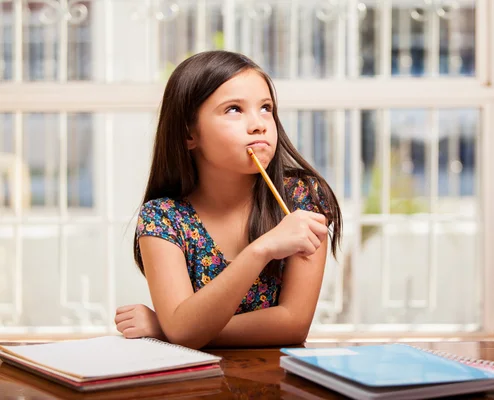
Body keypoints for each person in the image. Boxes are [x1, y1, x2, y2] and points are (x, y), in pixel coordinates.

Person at [113, 51, 342, 349]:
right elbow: (183, 331)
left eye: (265, 108)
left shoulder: (302, 198)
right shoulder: (163, 217)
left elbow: (293, 325)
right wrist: (262, 249)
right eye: (234, 109)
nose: (259, 124)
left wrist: (168, 327)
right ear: (188, 133)